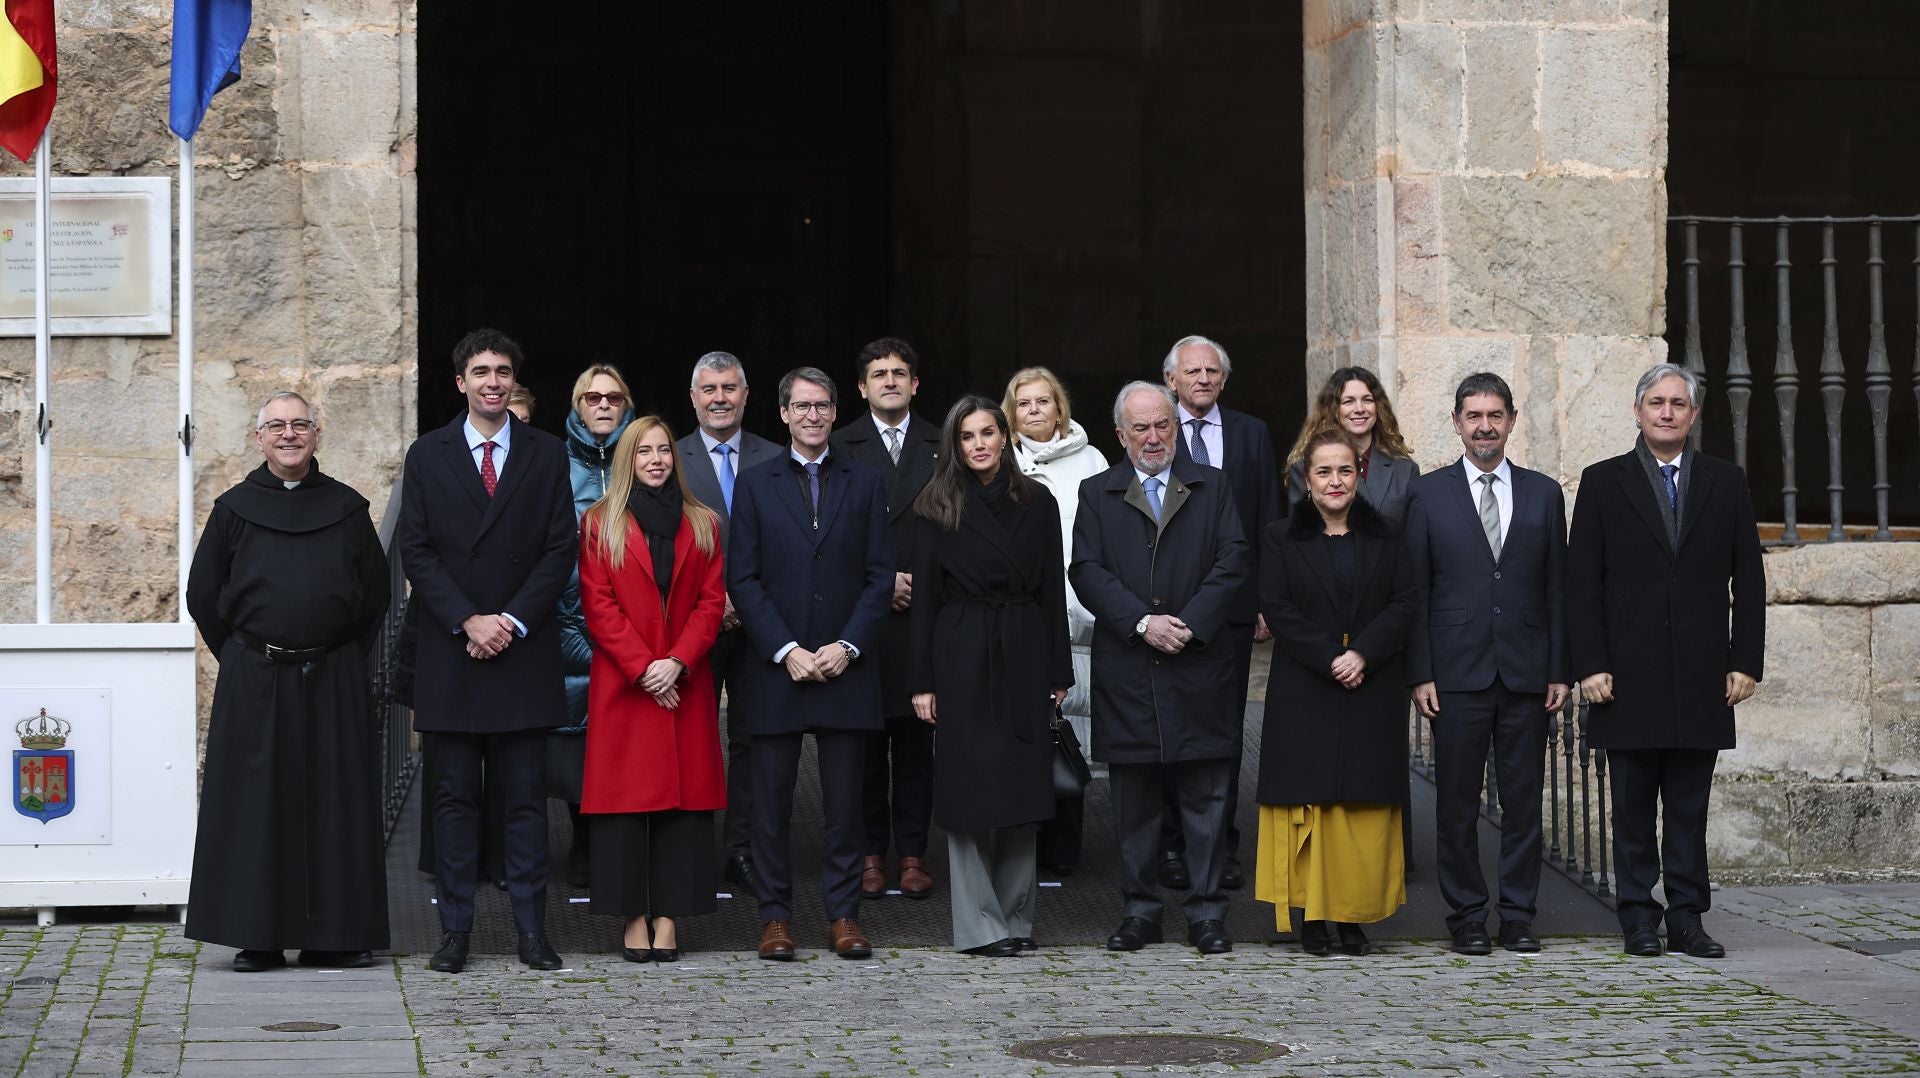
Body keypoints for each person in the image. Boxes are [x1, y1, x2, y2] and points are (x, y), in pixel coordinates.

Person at [185, 392, 390, 972]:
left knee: (335, 801)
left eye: (300, 424)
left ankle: (336, 935)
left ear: (317, 435)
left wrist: (340, 656)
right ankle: (259, 936)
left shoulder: (348, 509)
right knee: (257, 807)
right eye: (277, 426)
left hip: (332, 675)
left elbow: (373, 597)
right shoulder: (233, 509)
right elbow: (203, 595)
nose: (289, 434)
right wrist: (244, 657)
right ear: (259, 438)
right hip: (255, 675)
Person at [1568, 363, 1764, 959]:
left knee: (1688, 805)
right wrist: (1590, 664)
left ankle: (1686, 917)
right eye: (1656, 402)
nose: (1667, 412)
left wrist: (1745, 660)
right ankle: (1636, 916)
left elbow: (1748, 580)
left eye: (1678, 403)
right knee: (1630, 805)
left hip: (1701, 673)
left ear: (1694, 414)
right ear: (1638, 410)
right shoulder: (1602, 483)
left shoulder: (1726, 483)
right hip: (1625, 675)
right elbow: (1582, 585)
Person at [398, 328, 577, 974]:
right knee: (452, 800)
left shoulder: (545, 452)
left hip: (520, 649)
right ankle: (454, 933)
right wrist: (468, 621)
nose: (493, 381)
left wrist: (509, 620)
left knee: (526, 800)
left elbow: (561, 548)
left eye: (503, 371)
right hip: (454, 652)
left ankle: (532, 931)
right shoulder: (427, 455)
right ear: (460, 382)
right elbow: (416, 549)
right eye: (481, 371)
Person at [1070, 381, 1250, 956]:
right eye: (1141, 428)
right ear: (1120, 436)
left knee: (1206, 798)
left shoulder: (1213, 485)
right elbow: (1087, 571)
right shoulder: (1096, 492)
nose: (1154, 437)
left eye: (1163, 426)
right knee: (1135, 800)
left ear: (1177, 428)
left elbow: (1233, 559)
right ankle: (1141, 912)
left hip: (1199, 664)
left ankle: (1206, 914)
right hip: (1130, 665)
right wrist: (1143, 623)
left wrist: (1190, 622)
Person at [726, 367, 894, 961]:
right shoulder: (754, 483)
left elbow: (880, 577)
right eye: (802, 406)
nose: (813, 416)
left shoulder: (866, 482)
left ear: (834, 411)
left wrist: (847, 646)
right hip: (779, 665)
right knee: (770, 804)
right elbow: (741, 577)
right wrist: (786, 649)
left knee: (845, 805)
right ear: (783, 413)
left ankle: (843, 915)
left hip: (846, 665)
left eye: (822, 406)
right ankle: (775, 917)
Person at [1403, 371, 1569, 956]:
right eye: (1473, 416)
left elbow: (1557, 589)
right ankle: (1468, 915)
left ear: (1512, 421)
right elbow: (1415, 590)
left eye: (1494, 415)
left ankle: (1518, 915)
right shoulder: (1426, 493)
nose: (1484, 426)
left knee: (1524, 803)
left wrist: (1559, 669)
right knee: (1455, 803)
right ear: (1455, 423)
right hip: (1454, 674)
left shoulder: (1545, 494)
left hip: (1525, 672)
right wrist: (1420, 671)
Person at [908, 397, 1074, 957]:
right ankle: (979, 927)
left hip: (1025, 647)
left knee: (1023, 787)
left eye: (987, 433)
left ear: (1005, 437)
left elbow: (1053, 586)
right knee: (969, 788)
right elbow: (924, 600)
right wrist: (923, 681)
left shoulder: (1039, 500)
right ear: (954, 446)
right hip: (962, 651)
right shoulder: (935, 504)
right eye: (967, 437)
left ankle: (1017, 919)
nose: (979, 445)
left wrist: (1059, 668)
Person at [1255, 430, 1415, 957]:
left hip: (1371, 684)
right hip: (1306, 687)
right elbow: (1277, 608)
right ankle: (1313, 918)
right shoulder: (1281, 536)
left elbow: (1404, 601)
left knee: (1361, 810)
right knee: (1313, 806)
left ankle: (1354, 918)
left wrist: (1362, 653)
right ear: (1307, 479)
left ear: (1359, 474)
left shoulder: (1388, 535)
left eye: (1344, 470)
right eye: (1323, 471)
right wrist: (1330, 657)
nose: (1335, 481)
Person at [577, 416, 728, 963]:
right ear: (628, 461)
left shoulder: (704, 522)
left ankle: (669, 918)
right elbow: (599, 605)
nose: (658, 460)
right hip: (627, 685)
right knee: (624, 808)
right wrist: (645, 668)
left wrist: (678, 663)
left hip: (683, 683)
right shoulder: (601, 523)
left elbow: (711, 604)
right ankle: (632, 917)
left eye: (664, 450)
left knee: (683, 810)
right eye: (644, 452)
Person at [1162, 335, 1279, 892]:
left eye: (1212, 371)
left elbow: (1267, 524)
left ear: (1224, 380)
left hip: (1233, 610)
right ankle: (1170, 843)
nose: (1203, 379)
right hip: (1168, 610)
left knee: (1224, 733)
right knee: (1166, 728)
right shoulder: (1154, 430)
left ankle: (1219, 843)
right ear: (1172, 380)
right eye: (1193, 372)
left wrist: (1262, 600)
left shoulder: (1252, 433)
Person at [829, 337, 942, 901]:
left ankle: (914, 853)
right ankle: (871, 854)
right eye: (879, 373)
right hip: (865, 614)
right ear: (862, 387)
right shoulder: (840, 443)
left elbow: (955, 522)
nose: (891, 380)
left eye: (900, 372)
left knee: (919, 743)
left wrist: (925, 580)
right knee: (867, 744)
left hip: (927, 611)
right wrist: (880, 581)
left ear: (915, 383)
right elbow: (826, 531)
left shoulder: (943, 442)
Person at [676, 351, 784, 900]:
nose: (719, 397)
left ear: (746, 395)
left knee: (752, 741)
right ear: (693, 397)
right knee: (693, 737)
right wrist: (715, 602)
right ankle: (688, 848)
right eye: (709, 389)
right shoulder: (669, 457)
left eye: (730, 388)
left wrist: (750, 603)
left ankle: (742, 848)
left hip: (762, 627)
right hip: (696, 625)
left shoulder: (777, 456)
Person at [1003, 367, 1108, 876]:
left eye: (1043, 401)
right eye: (1023, 404)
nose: (1034, 411)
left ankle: (1064, 854)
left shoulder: (1091, 460)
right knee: (1022, 737)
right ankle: (1023, 848)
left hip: (1082, 613)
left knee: (1069, 737)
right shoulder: (1000, 460)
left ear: (1059, 407)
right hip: (1022, 616)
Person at [553, 363, 636, 886]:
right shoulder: (553, 462)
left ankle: (620, 842)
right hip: (570, 615)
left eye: (613, 397)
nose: (603, 405)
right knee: (575, 737)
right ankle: (583, 839)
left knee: (628, 734)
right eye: (592, 397)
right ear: (577, 405)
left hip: (634, 619)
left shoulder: (647, 456)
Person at [1284, 366, 1419, 526]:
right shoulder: (1304, 467)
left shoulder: (1404, 469)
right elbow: (1301, 532)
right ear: (1332, 409)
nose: (1359, 409)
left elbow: (1413, 535)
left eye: (1367, 400)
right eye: (1349, 401)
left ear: (1378, 407)